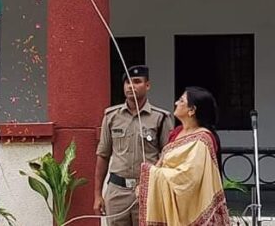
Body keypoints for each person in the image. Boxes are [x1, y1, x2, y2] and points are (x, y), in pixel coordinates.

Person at [138, 86, 230, 226]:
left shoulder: (202, 140)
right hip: (171, 205)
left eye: (181, 100)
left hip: (190, 209)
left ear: (192, 110)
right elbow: (164, 161)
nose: (176, 103)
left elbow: (189, 178)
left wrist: (151, 173)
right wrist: (149, 179)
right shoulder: (177, 132)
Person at [94, 65, 174, 226]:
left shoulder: (160, 118)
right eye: (127, 82)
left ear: (147, 85)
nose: (131, 86)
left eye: (137, 82)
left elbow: (169, 158)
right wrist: (97, 195)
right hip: (117, 191)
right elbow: (103, 155)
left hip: (147, 189)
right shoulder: (111, 117)